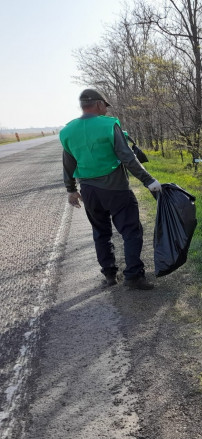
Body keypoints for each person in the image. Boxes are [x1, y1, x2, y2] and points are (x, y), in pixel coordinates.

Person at [60, 89, 161, 290]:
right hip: (116, 190)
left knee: (100, 232)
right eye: (105, 105)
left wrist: (71, 189)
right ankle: (133, 276)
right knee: (131, 231)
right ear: (98, 104)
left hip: (89, 191)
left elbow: (68, 163)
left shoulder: (68, 131)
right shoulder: (109, 125)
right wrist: (148, 180)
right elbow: (127, 157)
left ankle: (109, 274)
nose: (106, 109)